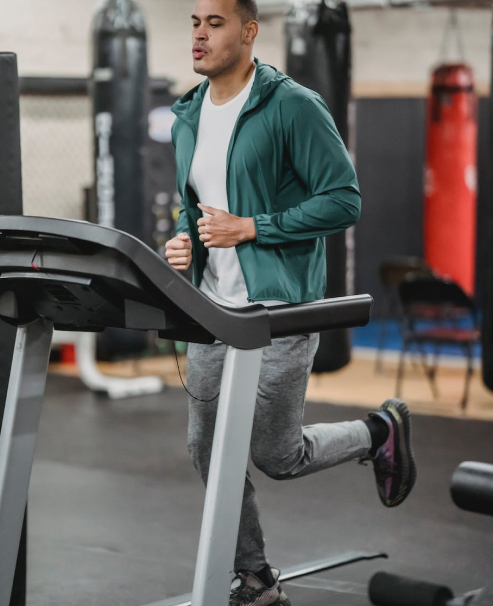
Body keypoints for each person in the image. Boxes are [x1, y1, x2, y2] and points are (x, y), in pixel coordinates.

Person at [165, 1, 417, 604]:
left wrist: (251, 228)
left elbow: (343, 201)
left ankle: (379, 430)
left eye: (215, 23)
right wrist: (183, 241)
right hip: (211, 311)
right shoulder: (189, 114)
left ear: (249, 32)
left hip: (278, 312)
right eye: (194, 23)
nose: (199, 34)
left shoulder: (292, 106)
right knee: (204, 449)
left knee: (276, 455)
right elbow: (197, 206)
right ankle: (253, 577)